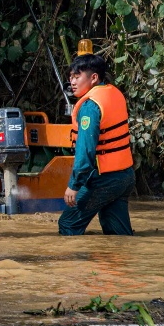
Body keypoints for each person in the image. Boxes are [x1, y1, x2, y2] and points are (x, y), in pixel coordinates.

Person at [58, 53, 136, 236]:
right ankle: (118, 264)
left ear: (93, 78)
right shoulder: (114, 93)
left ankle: (76, 266)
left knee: (68, 224)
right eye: (71, 77)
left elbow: (85, 152)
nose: (72, 82)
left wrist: (74, 185)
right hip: (125, 176)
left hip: (104, 179)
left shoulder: (90, 107)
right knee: (119, 235)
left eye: (77, 77)